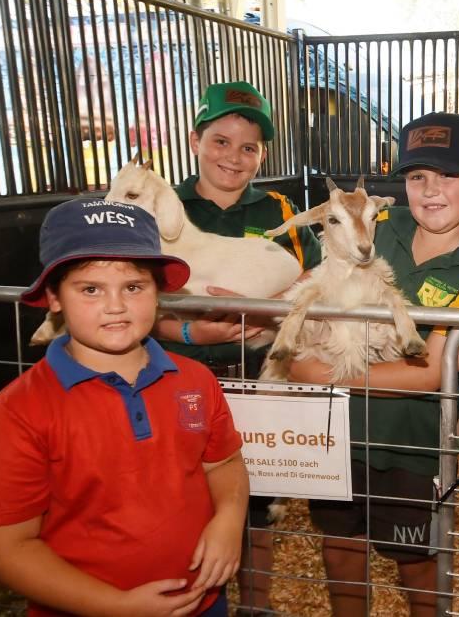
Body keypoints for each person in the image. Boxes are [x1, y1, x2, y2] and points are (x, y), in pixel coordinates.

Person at [0, 198, 249, 616]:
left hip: (200, 601)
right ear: (53, 297)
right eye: (90, 289)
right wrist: (115, 606)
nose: (116, 306)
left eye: (134, 287)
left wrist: (228, 519)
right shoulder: (16, 414)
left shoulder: (194, 381)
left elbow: (223, 463)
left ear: (158, 293)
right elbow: (7, 545)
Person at [285, 112, 459, 617]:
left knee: (416, 560)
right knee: (340, 548)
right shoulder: (377, 223)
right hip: (336, 434)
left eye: (449, 176)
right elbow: (313, 279)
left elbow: (432, 370)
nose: (431, 190)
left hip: (409, 445)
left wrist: (327, 374)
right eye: (416, 177)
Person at [149, 80, 321, 613]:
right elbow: (129, 297)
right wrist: (186, 332)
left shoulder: (280, 212)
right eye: (220, 141)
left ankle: (256, 603)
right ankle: (185, 599)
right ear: (195, 138)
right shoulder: (158, 209)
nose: (233, 157)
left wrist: (272, 311)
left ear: (262, 154)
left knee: (255, 496)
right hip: (173, 375)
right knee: (176, 494)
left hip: (256, 375)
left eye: (248, 147)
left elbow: (316, 279)